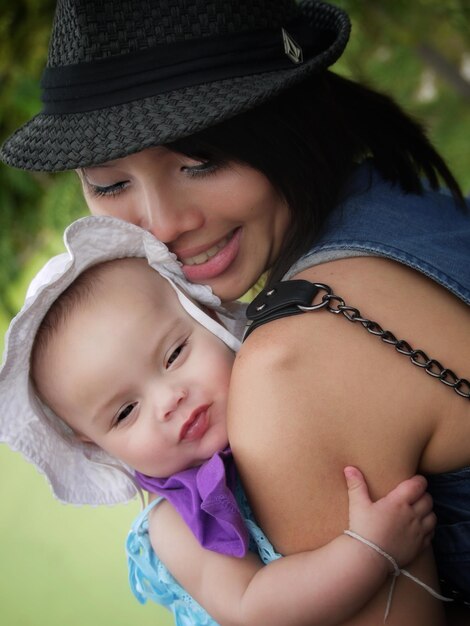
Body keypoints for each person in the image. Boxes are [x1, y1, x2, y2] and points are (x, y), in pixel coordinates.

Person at [1, 1, 469, 623]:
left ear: (284, 120)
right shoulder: (391, 193)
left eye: (201, 162)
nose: (165, 224)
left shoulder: (290, 375)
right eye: (110, 184)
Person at [0, 215, 439, 626]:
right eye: (125, 412)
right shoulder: (176, 525)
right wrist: (369, 551)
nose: (168, 401)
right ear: (95, 446)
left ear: (208, 317)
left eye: (174, 355)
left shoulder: (281, 381)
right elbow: (254, 606)